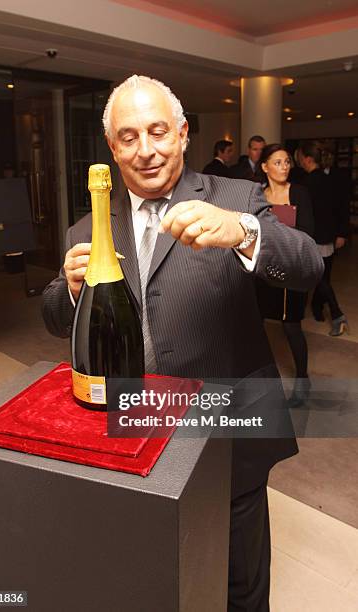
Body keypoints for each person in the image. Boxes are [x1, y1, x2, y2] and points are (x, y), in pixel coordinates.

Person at [42, 75, 323, 611]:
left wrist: (243, 232)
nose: (145, 150)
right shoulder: (87, 229)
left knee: (239, 583)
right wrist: (72, 288)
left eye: (158, 131)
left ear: (184, 133)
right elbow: (55, 317)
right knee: (156, 574)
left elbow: (307, 265)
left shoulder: (237, 197)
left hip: (226, 433)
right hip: (131, 435)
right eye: (129, 137)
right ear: (113, 147)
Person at [256, 144, 314, 407]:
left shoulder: (299, 192)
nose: (284, 166)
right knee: (257, 327)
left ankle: (303, 379)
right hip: (264, 270)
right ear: (265, 166)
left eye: (287, 162)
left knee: (291, 326)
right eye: (277, 162)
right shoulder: (257, 194)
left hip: (291, 271)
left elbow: (307, 233)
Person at [297, 141, 349, 336]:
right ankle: (318, 310)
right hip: (328, 236)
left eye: (301, 157)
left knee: (319, 278)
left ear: (308, 159)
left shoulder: (305, 184)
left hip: (314, 237)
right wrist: (341, 233)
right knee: (324, 276)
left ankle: (337, 314)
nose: (299, 161)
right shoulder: (329, 179)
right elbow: (340, 208)